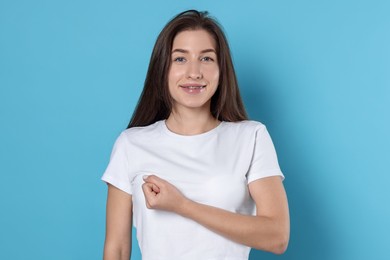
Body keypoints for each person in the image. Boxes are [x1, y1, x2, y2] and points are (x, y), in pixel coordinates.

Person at [101, 10, 290, 260]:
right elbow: (117, 249)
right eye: (180, 59)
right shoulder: (131, 144)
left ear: (221, 69)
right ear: (162, 68)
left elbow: (277, 237)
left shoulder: (251, 137)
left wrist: (183, 206)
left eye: (206, 59)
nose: (194, 72)